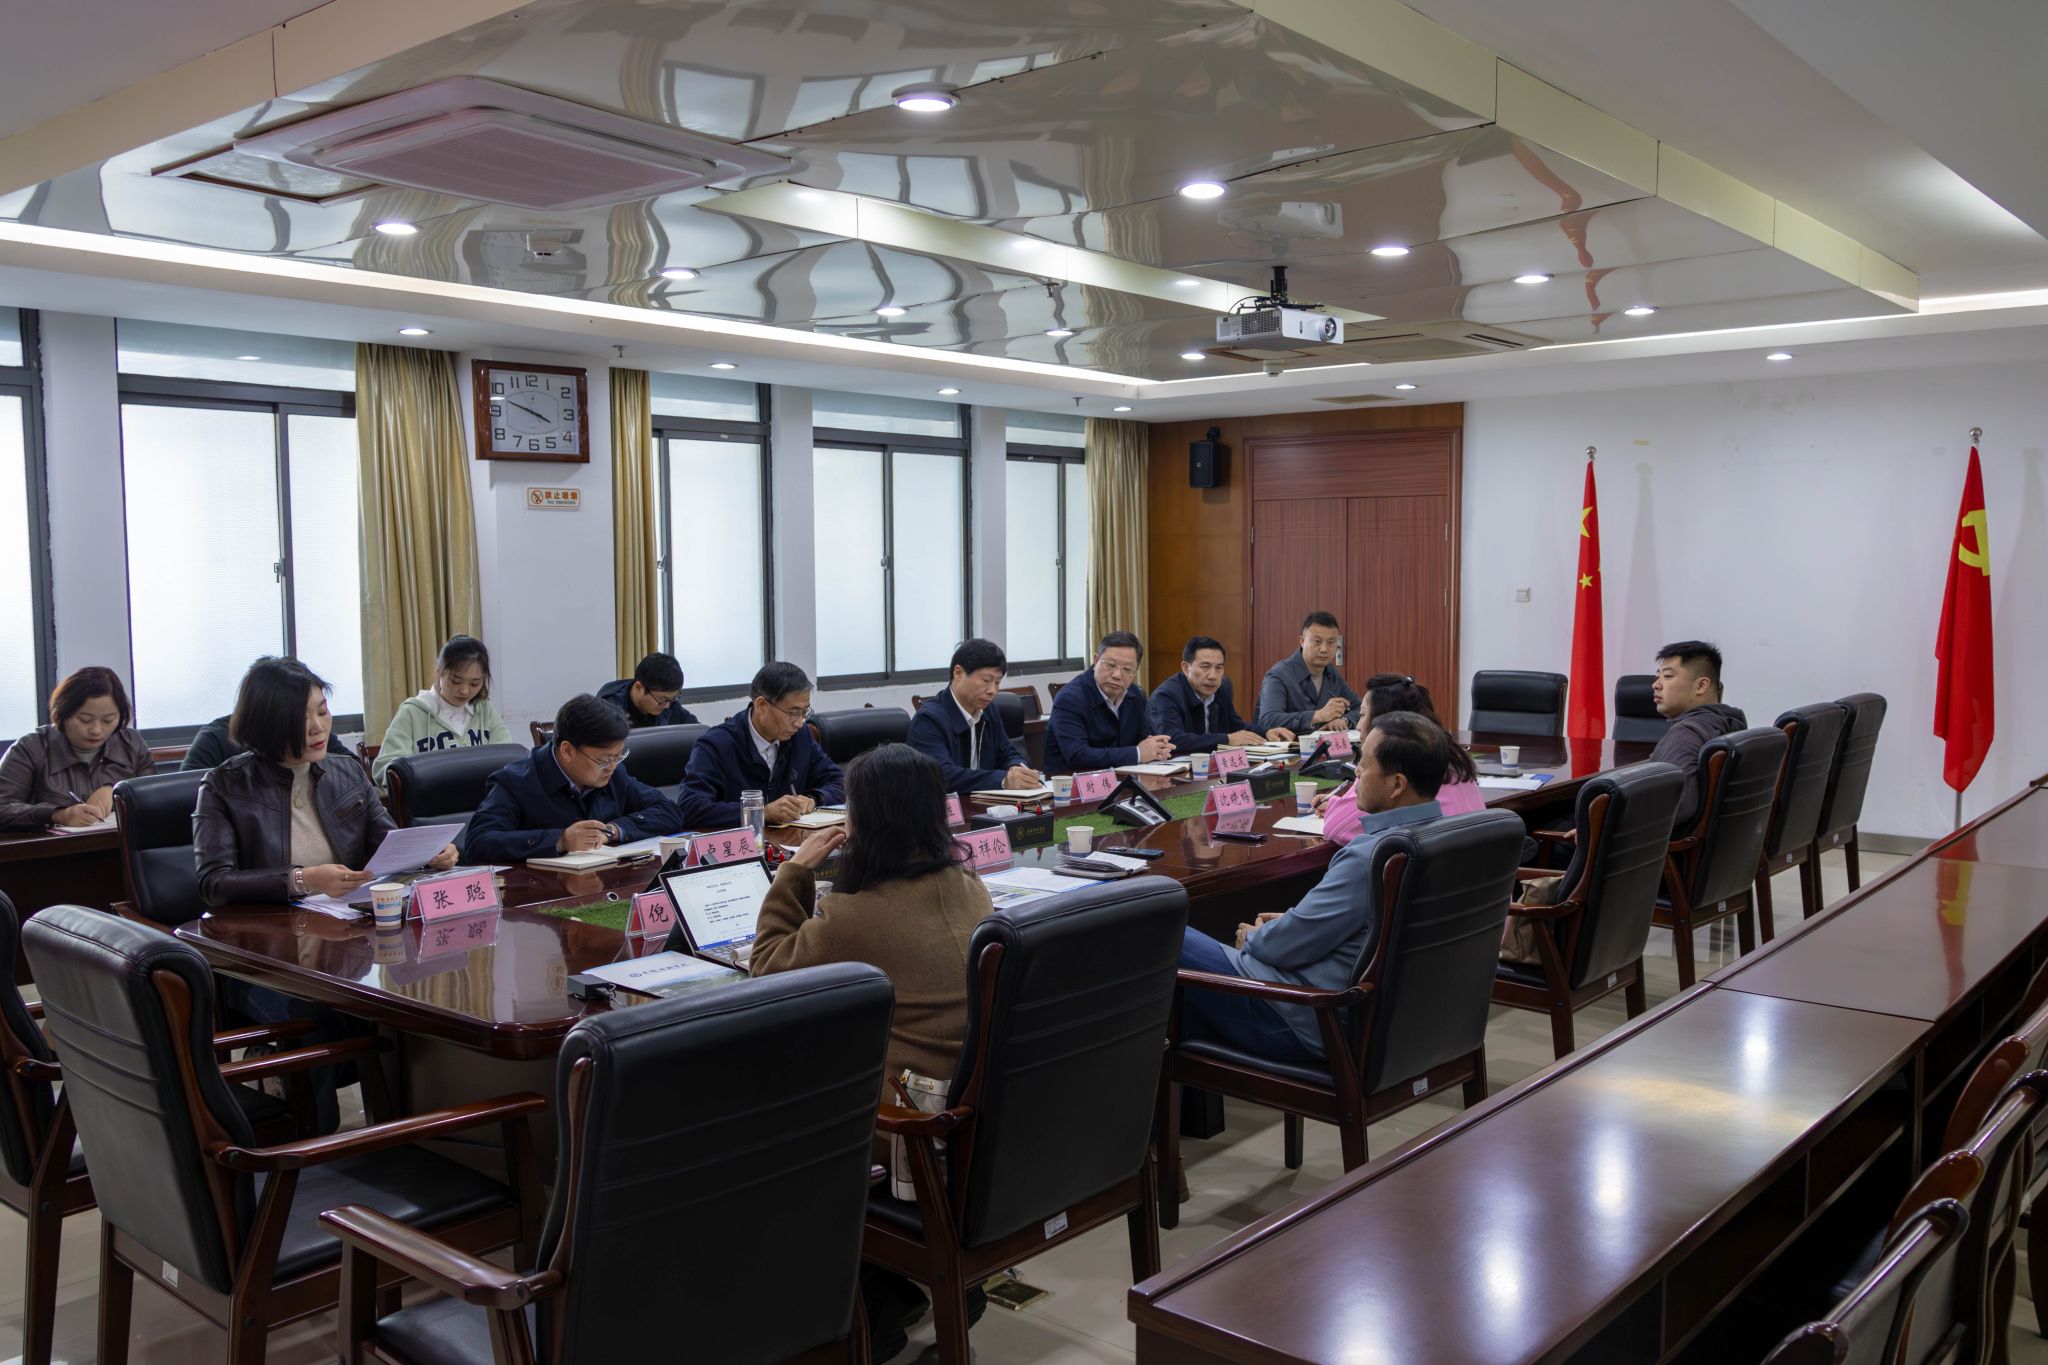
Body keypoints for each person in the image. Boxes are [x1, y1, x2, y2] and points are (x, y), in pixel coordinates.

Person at [750, 741, 995, 1361]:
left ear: (867, 821)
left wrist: (794, 872)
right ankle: (896, 1290)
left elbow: (767, 968)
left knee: (769, 1118)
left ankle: (863, 1308)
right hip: (978, 1111)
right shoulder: (968, 886)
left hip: (911, 1128)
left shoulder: (856, 916)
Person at [192, 657, 456, 1131]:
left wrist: (430, 853)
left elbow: (387, 842)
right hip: (261, 956)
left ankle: (409, 1124)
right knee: (314, 1013)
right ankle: (315, 1135)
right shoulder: (225, 785)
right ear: (269, 723)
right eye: (302, 718)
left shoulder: (345, 771)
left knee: (416, 986)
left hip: (345, 942)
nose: (318, 727)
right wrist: (303, 879)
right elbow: (213, 882)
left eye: (322, 710)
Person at [1177, 711, 1448, 1062]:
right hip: (1391, 1021)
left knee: (1157, 930)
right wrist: (1293, 923)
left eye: (1364, 764)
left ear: (1397, 785)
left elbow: (1279, 949)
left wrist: (1255, 937)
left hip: (1303, 1017)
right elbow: (1358, 929)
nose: (1356, 773)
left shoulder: (1371, 857)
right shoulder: (1445, 837)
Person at [465, 694, 687, 863]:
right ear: (567, 751)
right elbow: (478, 843)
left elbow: (669, 811)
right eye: (603, 760)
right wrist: (560, 840)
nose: (612, 766)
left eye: (619, 756)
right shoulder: (516, 782)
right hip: (543, 894)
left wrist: (612, 831)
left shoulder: (614, 773)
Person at [1315, 674, 1482, 844]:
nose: (1358, 726)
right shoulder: (1455, 760)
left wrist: (1335, 804)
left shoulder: (1403, 766)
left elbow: (1337, 826)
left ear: (1388, 722)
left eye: (1363, 715)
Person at [682, 662, 843, 829]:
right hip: (739, 843)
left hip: (789, 840)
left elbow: (840, 783)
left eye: (804, 712)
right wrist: (760, 812)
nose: (799, 723)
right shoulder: (716, 744)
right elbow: (690, 808)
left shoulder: (800, 737)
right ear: (761, 705)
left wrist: (814, 798)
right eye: (793, 713)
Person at [0, 666, 156, 829]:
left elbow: (155, 798)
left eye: (108, 720)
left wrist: (116, 790)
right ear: (60, 714)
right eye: (85, 719)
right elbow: (3, 807)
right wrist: (57, 815)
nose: (96, 730)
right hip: (55, 845)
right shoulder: (31, 748)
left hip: (118, 843)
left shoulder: (131, 743)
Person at [904, 638, 1043, 794]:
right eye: (986, 680)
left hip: (986, 804)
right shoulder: (928, 720)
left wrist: (1018, 769)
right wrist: (1004, 780)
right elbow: (942, 776)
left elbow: (1008, 754)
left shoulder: (990, 711)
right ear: (958, 673)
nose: (992, 691)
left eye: (997, 682)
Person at [372, 635, 513, 783]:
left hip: (481, 796)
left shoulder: (484, 710)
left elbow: (507, 757)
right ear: (438, 673)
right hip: (431, 797)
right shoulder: (412, 713)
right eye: (456, 681)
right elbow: (385, 768)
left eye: (474, 684)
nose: (465, 691)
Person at [1648, 640, 1748, 827]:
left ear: (1701, 685)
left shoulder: (1685, 735)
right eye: (1657, 676)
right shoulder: (1730, 723)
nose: (1656, 685)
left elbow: (1677, 807)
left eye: (1667, 676)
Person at [1044, 631, 1173, 774]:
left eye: (1127, 669)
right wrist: (1137, 753)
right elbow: (1077, 755)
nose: (1117, 675)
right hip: (1072, 783)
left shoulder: (1134, 695)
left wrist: (1158, 748)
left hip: (1122, 778)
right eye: (1111, 665)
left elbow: (1145, 739)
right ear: (1096, 661)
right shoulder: (1069, 699)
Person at [1147, 636, 1294, 754]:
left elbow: (1236, 726)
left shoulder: (1221, 688)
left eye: (1219, 668)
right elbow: (1173, 740)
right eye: (1205, 667)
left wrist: (1266, 732)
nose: (1213, 676)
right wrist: (1226, 739)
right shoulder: (1165, 696)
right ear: (1186, 668)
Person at [1255, 611, 1363, 735]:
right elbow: (1268, 719)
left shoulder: (1332, 674)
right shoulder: (1278, 675)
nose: (1324, 649)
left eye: (1331, 643)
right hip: (1287, 745)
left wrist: (1344, 720)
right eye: (1317, 642)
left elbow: (1360, 709)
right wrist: (1317, 716)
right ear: (1302, 641)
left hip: (1321, 744)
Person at [597, 651, 700, 728]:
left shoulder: (668, 702)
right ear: (639, 688)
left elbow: (696, 730)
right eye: (662, 699)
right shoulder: (608, 709)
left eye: (673, 698)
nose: (667, 706)